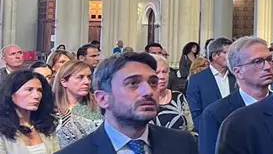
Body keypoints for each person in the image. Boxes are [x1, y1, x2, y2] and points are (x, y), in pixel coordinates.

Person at [56, 52, 199, 154]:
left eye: (153, 82)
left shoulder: (182, 144)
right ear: (103, 99)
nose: (148, 91)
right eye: (133, 83)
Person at [198, 36, 273, 154]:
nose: (268, 67)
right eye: (258, 61)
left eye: (269, 59)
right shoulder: (216, 114)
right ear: (238, 72)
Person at [0, 70, 60, 152]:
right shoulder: (2, 129)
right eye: (29, 90)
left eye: (39, 90)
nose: (36, 96)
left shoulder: (46, 126)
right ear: (11, 94)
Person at [186, 37, 236, 126]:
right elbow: (196, 113)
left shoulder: (237, 77)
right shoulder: (197, 80)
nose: (231, 56)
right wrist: (206, 130)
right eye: (226, 53)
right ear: (214, 56)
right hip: (210, 129)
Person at [52, 60, 102, 147]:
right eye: (80, 77)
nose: (87, 82)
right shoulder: (51, 110)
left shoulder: (100, 104)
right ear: (64, 82)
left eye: (89, 77)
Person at [149, 53, 194, 134]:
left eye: (164, 72)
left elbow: (191, 128)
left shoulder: (178, 97)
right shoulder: (143, 101)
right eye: (157, 72)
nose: (162, 77)